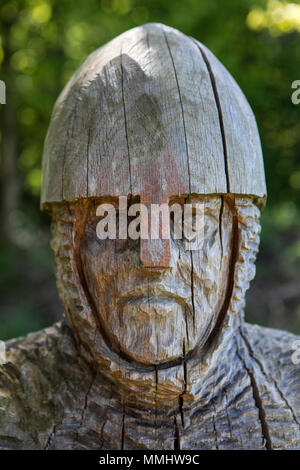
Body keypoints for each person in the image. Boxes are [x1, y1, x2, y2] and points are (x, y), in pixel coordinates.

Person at [0, 23, 299, 450]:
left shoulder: (293, 386)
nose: (155, 255)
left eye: (190, 216)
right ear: (70, 241)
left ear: (240, 238)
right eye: (117, 215)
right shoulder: (9, 401)